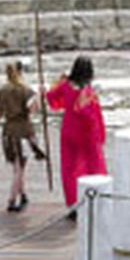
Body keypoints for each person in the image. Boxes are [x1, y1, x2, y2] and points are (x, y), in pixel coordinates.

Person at [0, 61, 47, 213]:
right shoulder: (25, 90)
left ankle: (22, 194)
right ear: (21, 72)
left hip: (8, 132)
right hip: (23, 132)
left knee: (17, 167)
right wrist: (40, 96)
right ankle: (12, 199)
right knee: (19, 169)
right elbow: (32, 110)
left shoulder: (1, 91)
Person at [46, 56, 107, 214]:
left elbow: (52, 99)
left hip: (69, 131)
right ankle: (96, 199)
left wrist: (56, 83)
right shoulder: (87, 91)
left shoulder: (66, 86)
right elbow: (92, 114)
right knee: (92, 166)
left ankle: (73, 203)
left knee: (70, 169)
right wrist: (101, 133)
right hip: (86, 134)